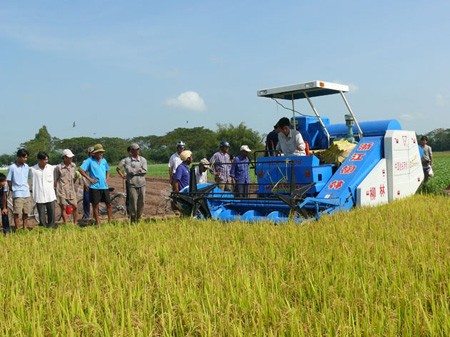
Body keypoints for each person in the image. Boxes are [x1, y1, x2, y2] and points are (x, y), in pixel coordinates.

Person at [79, 144, 112, 225]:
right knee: (95, 205)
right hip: (95, 187)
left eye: (102, 152)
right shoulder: (89, 161)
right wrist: (89, 179)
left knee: (109, 204)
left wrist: (107, 179)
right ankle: (98, 223)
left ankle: (110, 221)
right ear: (95, 153)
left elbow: (108, 170)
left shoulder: (104, 161)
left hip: (104, 186)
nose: (101, 154)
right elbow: (80, 169)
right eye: (99, 152)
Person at [116, 143, 147, 223]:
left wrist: (134, 171)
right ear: (132, 151)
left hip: (142, 184)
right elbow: (128, 171)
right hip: (131, 184)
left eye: (138, 149)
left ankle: (139, 218)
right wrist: (137, 170)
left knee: (142, 202)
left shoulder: (143, 160)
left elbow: (144, 171)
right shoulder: (127, 160)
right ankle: (132, 219)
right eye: (136, 149)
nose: (138, 151)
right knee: (132, 202)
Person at [29, 152, 57, 228]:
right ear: (39, 160)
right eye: (45, 160)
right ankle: (43, 227)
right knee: (41, 214)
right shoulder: (33, 170)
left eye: (47, 159)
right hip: (39, 194)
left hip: (50, 194)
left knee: (51, 212)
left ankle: (51, 227)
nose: (46, 161)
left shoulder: (51, 168)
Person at [7, 149, 32, 230]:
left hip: (26, 192)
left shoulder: (26, 166)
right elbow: (9, 180)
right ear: (19, 157)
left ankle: (25, 228)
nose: (26, 159)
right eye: (24, 157)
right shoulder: (12, 167)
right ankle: (18, 229)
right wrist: (12, 189)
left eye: (26, 158)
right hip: (17, 193)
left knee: (26, 212)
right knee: (17, 212)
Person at [54, 149, 79, 224]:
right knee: (64, 207)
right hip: (61, 190)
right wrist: (55, 190)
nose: (71, 159)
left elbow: (74, 177)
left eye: (71, 157)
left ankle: (75, 223)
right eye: (69, 157)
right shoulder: (58, 167)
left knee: (75, 206)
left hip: (71, 190)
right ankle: (66, 224)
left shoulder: (73, 166)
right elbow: (55, 179)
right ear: (64, 157)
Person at [81, 146, 94, 220]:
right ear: (89, 153)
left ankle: (96, 215)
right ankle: (86, 215)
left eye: (93, 152)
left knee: (96, 200)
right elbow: (83, 173)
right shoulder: (85, 162)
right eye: (91, 153)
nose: (92, 154)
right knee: (86, 200)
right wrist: (85, 183)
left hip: (95, 184)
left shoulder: (97, 161)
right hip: (88, 184)